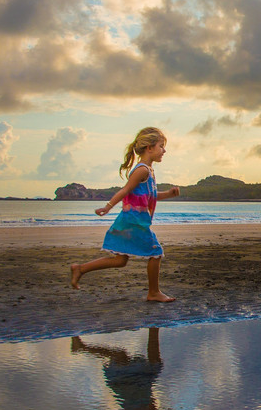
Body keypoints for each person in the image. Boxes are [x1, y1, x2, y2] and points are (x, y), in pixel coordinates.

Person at [70, 126, 181, 301]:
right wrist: (108, 206)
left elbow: (149, 196)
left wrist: (169, 194)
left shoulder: (149, 170)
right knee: (156, 252)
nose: (164, 151)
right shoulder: (142, 170)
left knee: (120, 261)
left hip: (131, 220)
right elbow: (126, 190)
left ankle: (80, 268)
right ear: (149, 148)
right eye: (161, 146)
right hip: (134, 222)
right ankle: (153, 293)